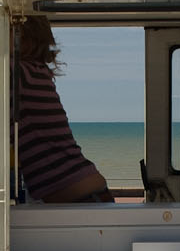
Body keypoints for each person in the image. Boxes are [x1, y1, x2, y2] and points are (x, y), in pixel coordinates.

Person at [12, 17, 112, 203]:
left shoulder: (19, 73)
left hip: (80, 199)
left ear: (23, 39)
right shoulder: (34, 71)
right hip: (85, 195)